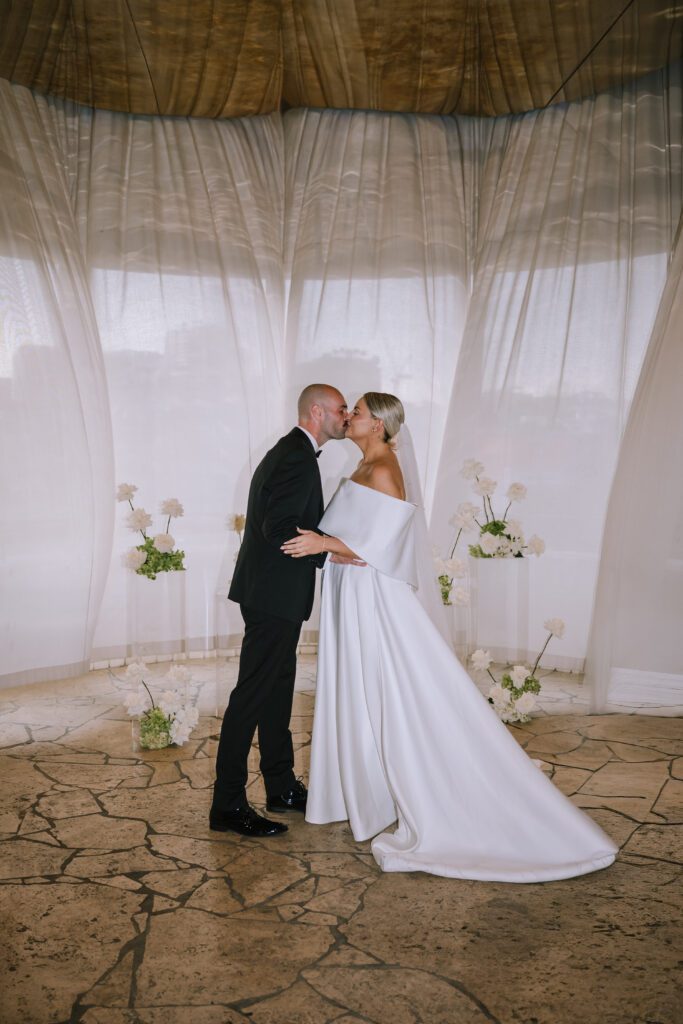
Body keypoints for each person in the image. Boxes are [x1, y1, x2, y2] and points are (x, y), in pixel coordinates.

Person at [281, 392, 618, 881]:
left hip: (373, 598)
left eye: (359, 412)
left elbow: (384, 545)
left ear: (378, 425)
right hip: (351, 593)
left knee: (395, 687)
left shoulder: (384, 470)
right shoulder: (364, 465)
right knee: (363, 687)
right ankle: (368, 787)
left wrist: (324, 543)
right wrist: (331, 547)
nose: (349, 416)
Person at [210, 384, 349, 837]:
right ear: (317, 411)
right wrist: (329, 549)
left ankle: (281, 786)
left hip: (273, 596)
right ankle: (228, 805)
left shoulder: (294, 452)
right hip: (273, 597)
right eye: (340, 409)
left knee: (276, 692)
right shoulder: (296, 457)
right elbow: (280, 528)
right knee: (251, 696)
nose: (346, 416)